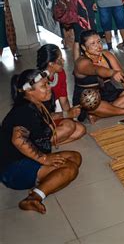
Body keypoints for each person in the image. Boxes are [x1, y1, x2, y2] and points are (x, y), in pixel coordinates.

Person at [0, 69, 82, 214]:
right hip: (12, 169)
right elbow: (18, 140)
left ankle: (43, 181)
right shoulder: (23, 110)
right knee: (71, 169)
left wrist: (66, 114)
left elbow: (48, 116)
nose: (49, 87)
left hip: (25, 159)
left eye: (48, 83)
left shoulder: (36, 103)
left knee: (75, 157)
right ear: (30, 91)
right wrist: (43, 158)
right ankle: (34, 198)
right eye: (44, 85)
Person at [73, 30, 124, 122]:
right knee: (95, 105)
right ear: (83, 47)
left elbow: (123, 77)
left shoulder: (107, 54)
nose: (98, 46)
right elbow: (96, 69)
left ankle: (100, 115)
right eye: (93, 43)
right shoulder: (81, 63)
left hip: (107, 92)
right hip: (88, 98)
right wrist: (112, 73)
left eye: (99, 41)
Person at [37, 44, 86, 145]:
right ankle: (38, 144)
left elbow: (64, 101)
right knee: (69, 128)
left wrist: (71, 117)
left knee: (80, 129)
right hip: (37, 123)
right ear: (50, 63)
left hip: (50, 118)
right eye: (60, 59)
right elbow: (40, 116)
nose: (63, 61)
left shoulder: (60, 73)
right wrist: (66, 115)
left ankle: (47, 144)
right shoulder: (37, 81)